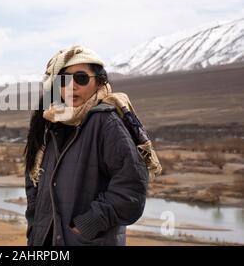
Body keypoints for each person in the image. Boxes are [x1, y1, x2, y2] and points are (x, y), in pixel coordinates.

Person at [23, 45, 158, 246]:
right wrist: (35, 227)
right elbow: (34, 184)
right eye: (64, 80)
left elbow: (131, 190)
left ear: (99, 82)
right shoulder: (50, 122)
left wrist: (86, 226)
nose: (71, 86)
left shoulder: (106, 122)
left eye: (81, 78)